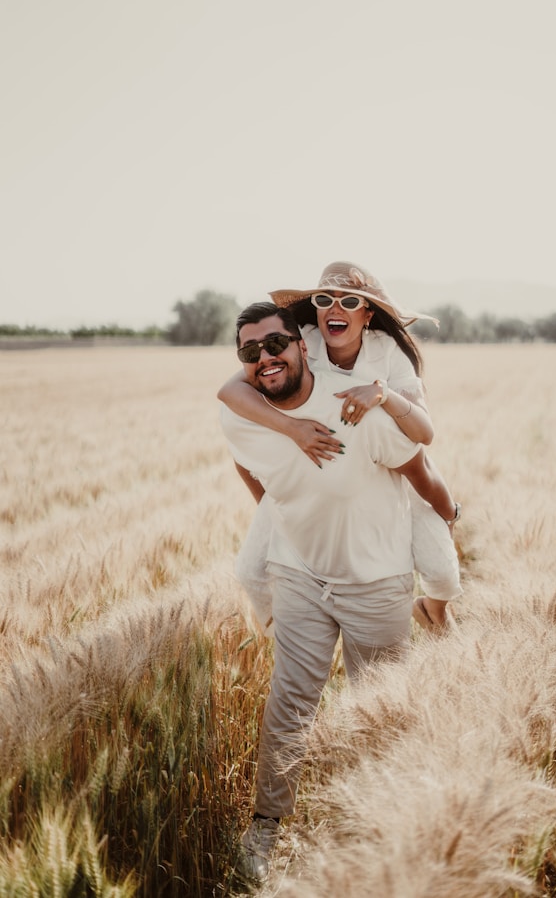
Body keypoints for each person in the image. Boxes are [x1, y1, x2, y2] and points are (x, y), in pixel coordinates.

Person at [219, 301, 463, 881]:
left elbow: (420, 469)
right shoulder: (242, 417)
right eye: (250, 353)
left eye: (275, 346)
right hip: (299, 574)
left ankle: (376, 825)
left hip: (376, 581)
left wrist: (449, 516)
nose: (265, 360)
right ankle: (267, 827)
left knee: (376, 712)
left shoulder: (359, 410)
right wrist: (286, 512)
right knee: (288, 705)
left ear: (303, 346)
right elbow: (247, 465)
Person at [218, 261, 462, 634]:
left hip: (387, 468)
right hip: (314, 470)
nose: (335, 308)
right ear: (313, 308)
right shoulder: (302, 340)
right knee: (251, 571)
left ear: (367, 314)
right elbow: (230, 392)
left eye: (350, 301)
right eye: (324, 299)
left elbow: (423, 436)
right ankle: (294, 636)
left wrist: (383, 393)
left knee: (444, 573)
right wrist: (292, 430)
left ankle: (432, 611)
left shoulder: (388, 354)